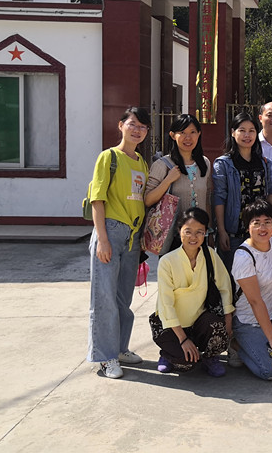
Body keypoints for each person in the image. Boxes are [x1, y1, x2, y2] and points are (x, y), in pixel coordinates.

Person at [86, 106, 151, 379]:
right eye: (132, 124)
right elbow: (97, 199)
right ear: (121, 125)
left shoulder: (142, 162)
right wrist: (102, 239)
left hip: (132, 238)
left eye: (142, 127)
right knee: (104, 299)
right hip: (110, 232)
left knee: (123, 299)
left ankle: (121, 349)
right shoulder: (108, 157)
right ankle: (105, 357)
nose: (137, 130)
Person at [153, 207, 233, 377]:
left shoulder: (210, 255)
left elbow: (225, 287)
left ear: (205, 233)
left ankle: (210, 358)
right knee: (186, 365)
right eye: (188, 231)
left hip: (199, 322)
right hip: (171, 326)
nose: (193, 237)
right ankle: (167, 354)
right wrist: (182, 339)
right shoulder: (167, 262)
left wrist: (228, 319)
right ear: (179, 231)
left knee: (217, 326)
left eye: (199, 232)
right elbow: (166, 304)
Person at [212, 112, 272, 269]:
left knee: (260, 275)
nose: (247, 135)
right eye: (242, 130)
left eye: (251, 131)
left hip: (260, 231)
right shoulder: (223, 164)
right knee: (233, 276)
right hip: (234, 233)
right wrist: (222, 231)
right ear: (233, 132)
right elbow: (219, 198)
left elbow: (269, 193)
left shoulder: (265, 163)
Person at [231, 198, 272, 380]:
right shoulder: (244, 256)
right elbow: (255, 301)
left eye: (267, 222)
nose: (262, 228)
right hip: (249, 322)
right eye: (256, 223)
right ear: (248, 226)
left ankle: (267, 345)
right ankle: (237, 344)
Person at [144, 114, 212, 255]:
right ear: (172, 135)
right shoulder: (162, 165)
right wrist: (168, 180)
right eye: (182, 132)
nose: (188, 138)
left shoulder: (204, 163)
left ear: (199, 134)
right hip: (172, 237)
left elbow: (207, 199)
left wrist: (210, 230)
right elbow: (148, 200)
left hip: (199, 236)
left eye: (192, 132)